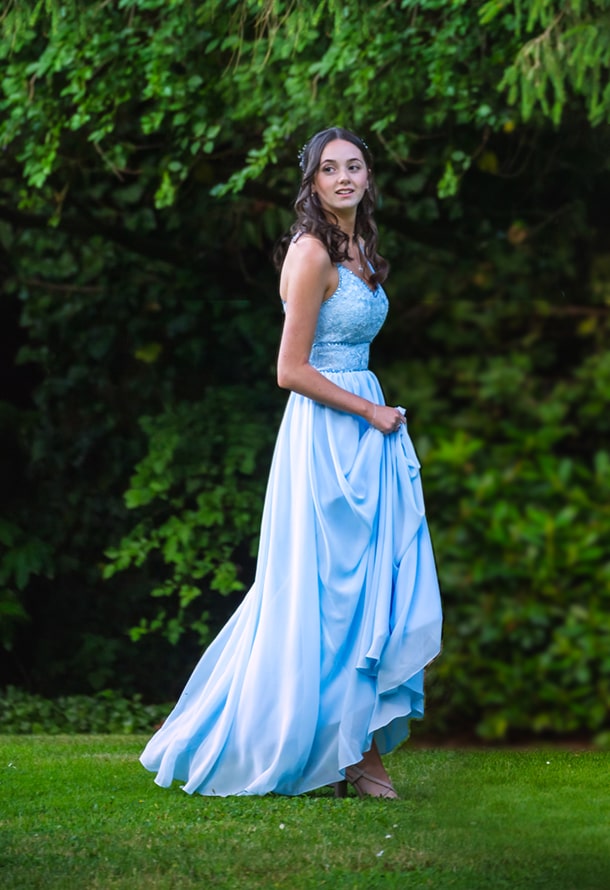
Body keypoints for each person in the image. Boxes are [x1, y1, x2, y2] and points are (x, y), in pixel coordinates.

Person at [140, 127, 442, 799]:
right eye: (329, 169)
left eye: (354, 166)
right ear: (311, 184)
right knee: (323, 592)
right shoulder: (310, 253)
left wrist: (375, 414)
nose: (343, 178)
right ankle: (319, 749)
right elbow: (289, 369)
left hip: (368, 423)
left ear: (367, 177)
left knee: (366, 588)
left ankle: (356, 749)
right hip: (328, 433)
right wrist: (368, 414)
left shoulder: (361, 248)